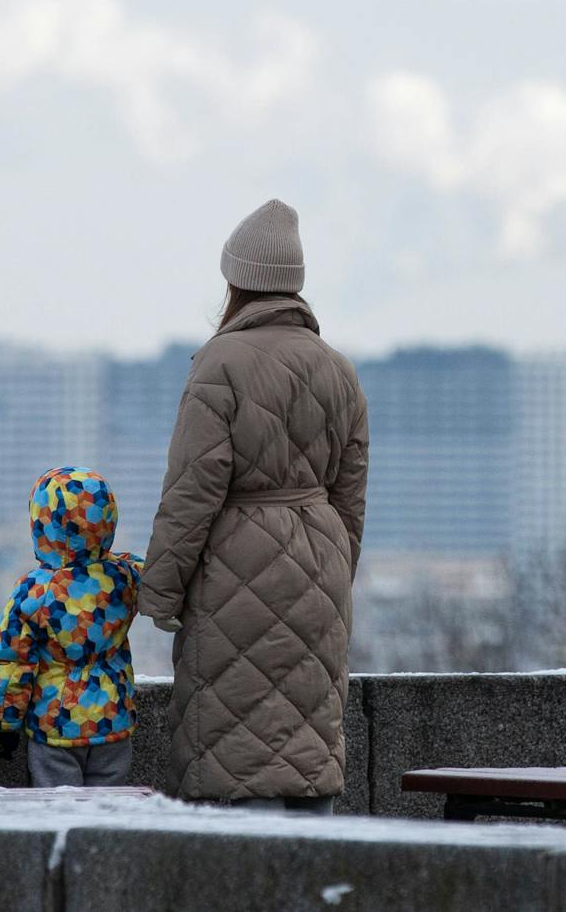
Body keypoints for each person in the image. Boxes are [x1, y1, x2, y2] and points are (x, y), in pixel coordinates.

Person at [140, 199, 370, 812]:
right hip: (319, 566)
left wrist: (159, 590)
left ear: (237, 282)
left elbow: (193, 488)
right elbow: (351, 495)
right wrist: (332, 569)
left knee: (233, 752)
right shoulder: (338, 369)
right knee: (308, 741)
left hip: (235, 564)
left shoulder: (221, 362)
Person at [0, 467, 142, 788]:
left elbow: (13, 665)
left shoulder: (33, 592)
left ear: (42, 524)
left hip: (56, 726)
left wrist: (3, 724)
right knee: (110, 819)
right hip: (113, 722)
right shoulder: (125, 575)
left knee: (59, 815)